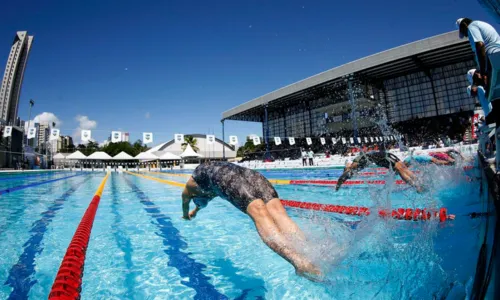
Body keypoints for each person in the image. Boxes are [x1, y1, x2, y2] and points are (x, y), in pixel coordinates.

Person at [181, 161, 321, 279]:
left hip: (228, 179)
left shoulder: (189, 190)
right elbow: (202, 203)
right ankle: (310, 253)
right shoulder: (206, 180)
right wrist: (195, 211)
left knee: (260, 215)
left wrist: (186, 214)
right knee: (279, 213)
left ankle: (299, 262)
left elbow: (185, 204)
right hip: (251, 174)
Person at [335, 151, 421, 191]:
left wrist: (337, 188)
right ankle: (418, 182)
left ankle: (417, 186)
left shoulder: (354, 164)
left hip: (383, 157)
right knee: (402, 168)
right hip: (383, 156)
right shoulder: (357, 163)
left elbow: (342, 178)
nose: (351, 174)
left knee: (400, 169)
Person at [457, 18, 500, 89]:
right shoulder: (480, 24)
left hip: (493, 55)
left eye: (463, 32)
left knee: (486, 84)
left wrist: (483, 73)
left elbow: (480, 46)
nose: (465, 35)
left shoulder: (471, 27)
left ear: (464, 25)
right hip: (495, 54)